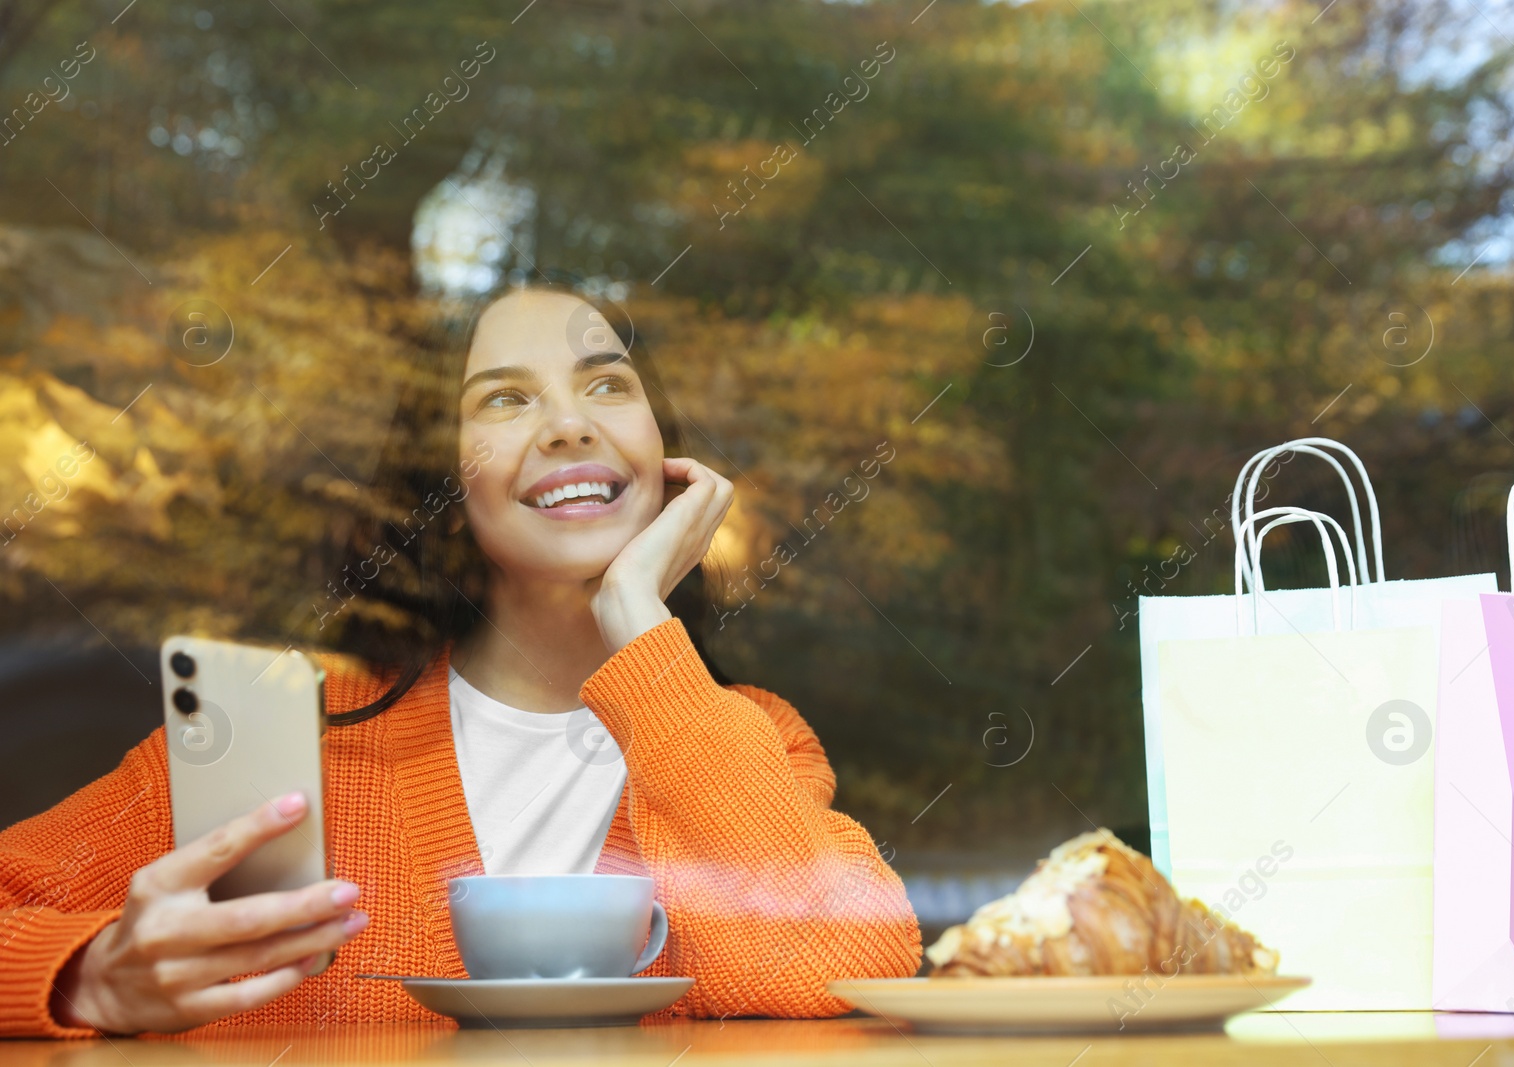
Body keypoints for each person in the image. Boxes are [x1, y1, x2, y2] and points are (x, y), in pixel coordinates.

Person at [0, 281, 921, 1037]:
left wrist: (639, 620)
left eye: (608, 385)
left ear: (666, 460)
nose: (569, 425)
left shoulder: (743, 741)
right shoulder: (289, 745)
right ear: (440, 489)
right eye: (506, 398)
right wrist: (86, 976)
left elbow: (839, 960)